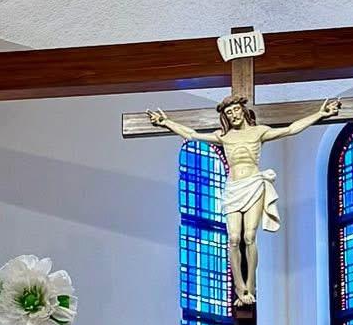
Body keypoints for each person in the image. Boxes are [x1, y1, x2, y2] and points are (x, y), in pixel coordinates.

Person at [145, 96, 342, 305]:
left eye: (236, 110)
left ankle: (251, 284)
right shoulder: (223, 136)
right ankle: (240, 288)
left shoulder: (259, 132)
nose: (233, 115)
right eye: (229, 113)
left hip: (253, 184)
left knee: (249, 237)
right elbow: (192, 134)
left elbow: (291, 129)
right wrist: (166, 122)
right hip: (233, 188)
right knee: (233, 239)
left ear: (243, 110)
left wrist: (320, 114)